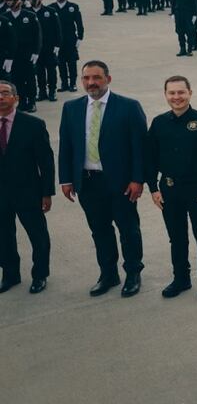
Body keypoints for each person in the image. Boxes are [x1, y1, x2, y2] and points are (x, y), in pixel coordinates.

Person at [58, 60, 147, 297]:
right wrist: (66, 179)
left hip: (120, 182)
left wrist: (138, 179)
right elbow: (66, 146)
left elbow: (139, 147)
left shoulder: (128, 107)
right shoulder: (71, 108)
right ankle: (108, 274)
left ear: (108, 79)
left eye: (96, 77)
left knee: (128, 229)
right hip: (88, 182)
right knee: (99, 230)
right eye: (86, 78)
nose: (91, 83)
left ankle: (133, 273)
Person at [144, 75, 197, 299]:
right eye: (171, 93)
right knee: (176, 237)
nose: (176, 97)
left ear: (190, 93)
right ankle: (181, 278)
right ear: (166, 95)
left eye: (181, 92)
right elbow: (149, 158)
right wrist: (153, 188)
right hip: (168, 189)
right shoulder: (159, 123)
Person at [0, 80, 54, 294]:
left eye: (5, 93)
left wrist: (47, 193)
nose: (1, 97)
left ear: (16, 98)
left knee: (38, 235)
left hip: (28, 191)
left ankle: (40, 275)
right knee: (4, 236)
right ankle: (10, 274)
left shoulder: (33, 125)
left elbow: (46, 162)